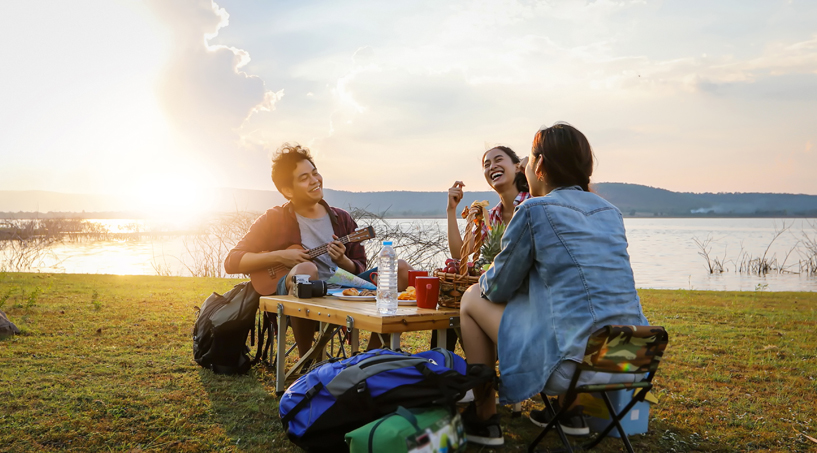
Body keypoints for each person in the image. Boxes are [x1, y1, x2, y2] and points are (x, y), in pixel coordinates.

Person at [458, 123, 649, 446]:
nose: (526, 169)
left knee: (472, 297)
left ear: (541, 166)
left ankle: (484, 417)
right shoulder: (610, 212)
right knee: (577, 316)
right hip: (631, 356)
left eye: (529, 162)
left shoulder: (535, 209)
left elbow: (496, 289)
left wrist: (490, 272)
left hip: (574, 365)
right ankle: (568, 413)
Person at [224, 143, 410, 358]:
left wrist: (343, 261)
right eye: (304, 178)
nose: (314, 181)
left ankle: (370, 357)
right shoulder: (274, 219)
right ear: (287, 190)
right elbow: (232, 261)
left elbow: (359, 266)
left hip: (341, 288)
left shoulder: (342, 218)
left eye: (315, 173)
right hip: (295, 291)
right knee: (306, 269)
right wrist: (280, 256)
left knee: (401, 268)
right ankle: (310, 360)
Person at [434, 146, 531, 351]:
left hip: (525, 296)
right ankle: (447, 369)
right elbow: (459, 252)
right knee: (449, 310)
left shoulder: (532, 203)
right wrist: (451, 209)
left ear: (518, 167)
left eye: (498, 160)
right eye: (486, 165)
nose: (491, 166)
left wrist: (526, 163)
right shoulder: (492, 215)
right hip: (498, 289)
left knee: (468, 301)